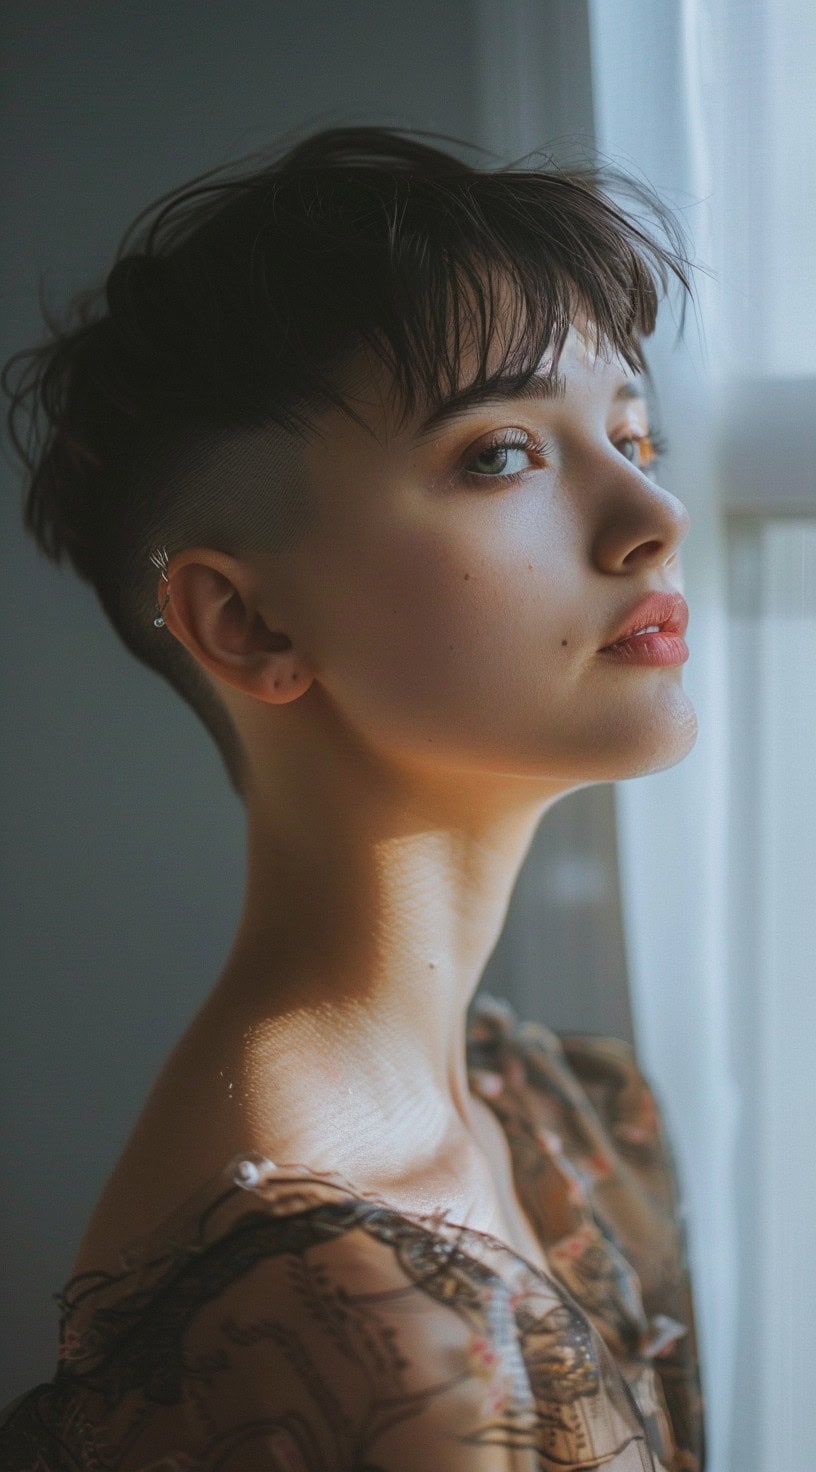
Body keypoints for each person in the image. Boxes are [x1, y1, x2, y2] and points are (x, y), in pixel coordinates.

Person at [0, 124, 705, 1469]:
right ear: (248, 624)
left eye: (630, 431)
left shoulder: (553, 1112)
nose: (651, 512)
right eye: (500, 455)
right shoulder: (336, 1329)